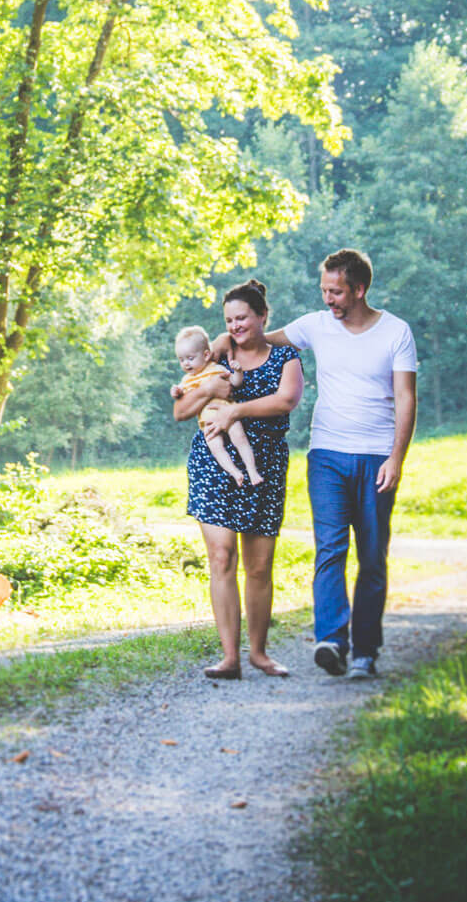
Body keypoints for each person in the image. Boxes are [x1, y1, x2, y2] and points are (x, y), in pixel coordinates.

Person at [208, 249, 417, 680]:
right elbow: (259, 339)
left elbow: (406, 398)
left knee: (372, 557)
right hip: (326, 455)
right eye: (324, 290)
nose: (328, 299)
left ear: (359, 290)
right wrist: (222, 342)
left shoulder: (397, 332)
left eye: (336, 292)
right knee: (330, 550)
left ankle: (365, 652)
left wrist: (396, 458)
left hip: (377, 455)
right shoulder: (315, 326)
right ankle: (331, 641)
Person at [174, 280, 303, 680]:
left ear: (263, 316)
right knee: (221, 555)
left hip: (263, 462)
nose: (236, 325)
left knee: (260, 565)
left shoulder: (286, 356)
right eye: (230, 319)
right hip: (213, 461)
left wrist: (236, 411)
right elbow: (181, 411)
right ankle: (229, 657)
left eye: (243, 317)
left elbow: (286, 401)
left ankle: (259, 653)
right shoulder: (218, 355)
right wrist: (211, 388)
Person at [170, 326, 263, 489]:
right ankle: (235, 473)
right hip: (208, 423)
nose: (186, 363)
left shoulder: (215, 369)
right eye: (181, 359)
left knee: (240, 439)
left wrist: (238, 371)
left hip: (227, 413)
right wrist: (176, 392)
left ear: (206, 355)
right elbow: (181, 402)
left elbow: (235, 382)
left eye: (190, 358)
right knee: (216, 448)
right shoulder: (186, 380)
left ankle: (252, 470)